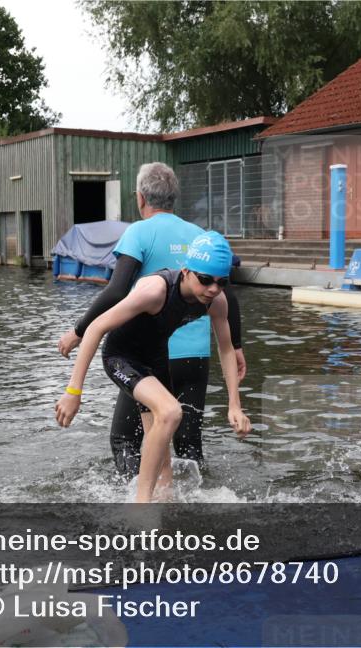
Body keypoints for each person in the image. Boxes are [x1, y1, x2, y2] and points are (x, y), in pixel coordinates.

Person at [57, 162, 245, 475]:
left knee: (125, 441)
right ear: (175, 199)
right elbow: (227, 298)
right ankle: (191, 512)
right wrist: (236, 346)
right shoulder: (201, 237)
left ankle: (137, 508)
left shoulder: (138, 232)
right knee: (188, 445)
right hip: (196, 357)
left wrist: (79, 331)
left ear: (140, 198)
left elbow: (116, 292)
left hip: (150, 356)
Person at [55, 231, 250, 502]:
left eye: (222, 282)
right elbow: (97, 328)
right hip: (121, 356)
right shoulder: (156, 291)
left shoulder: (216, 301)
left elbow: (227, 349)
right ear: (186, 271)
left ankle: (162, 514)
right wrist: (73, 392)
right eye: (206, 280)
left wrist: (234, 405)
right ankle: (141, 507)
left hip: (156, 358)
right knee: (171, 412)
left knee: (165, 474)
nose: (213, 289)